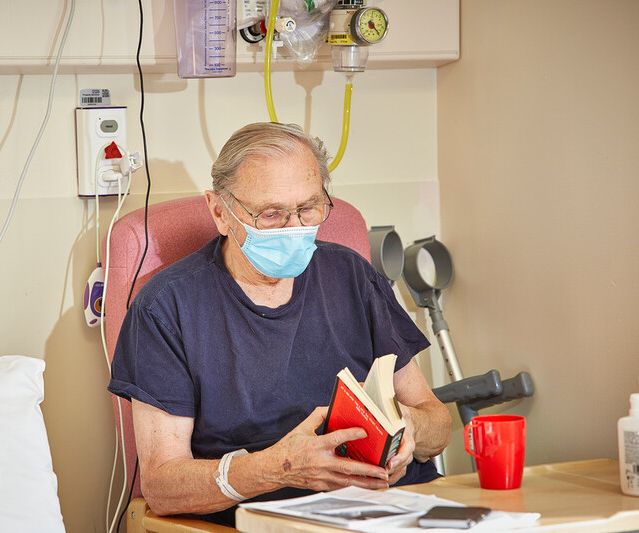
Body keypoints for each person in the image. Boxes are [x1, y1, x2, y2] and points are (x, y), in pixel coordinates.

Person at [108, 122, 452, 526]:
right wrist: (279, 468)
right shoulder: (167, 308)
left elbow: (438, 422)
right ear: (221, 212)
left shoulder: (350, 275)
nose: (295, 229)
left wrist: (409, 429)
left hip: (398, 506)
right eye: (272, 214)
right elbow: (162, 486)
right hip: (272, 517)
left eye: (308, 209)